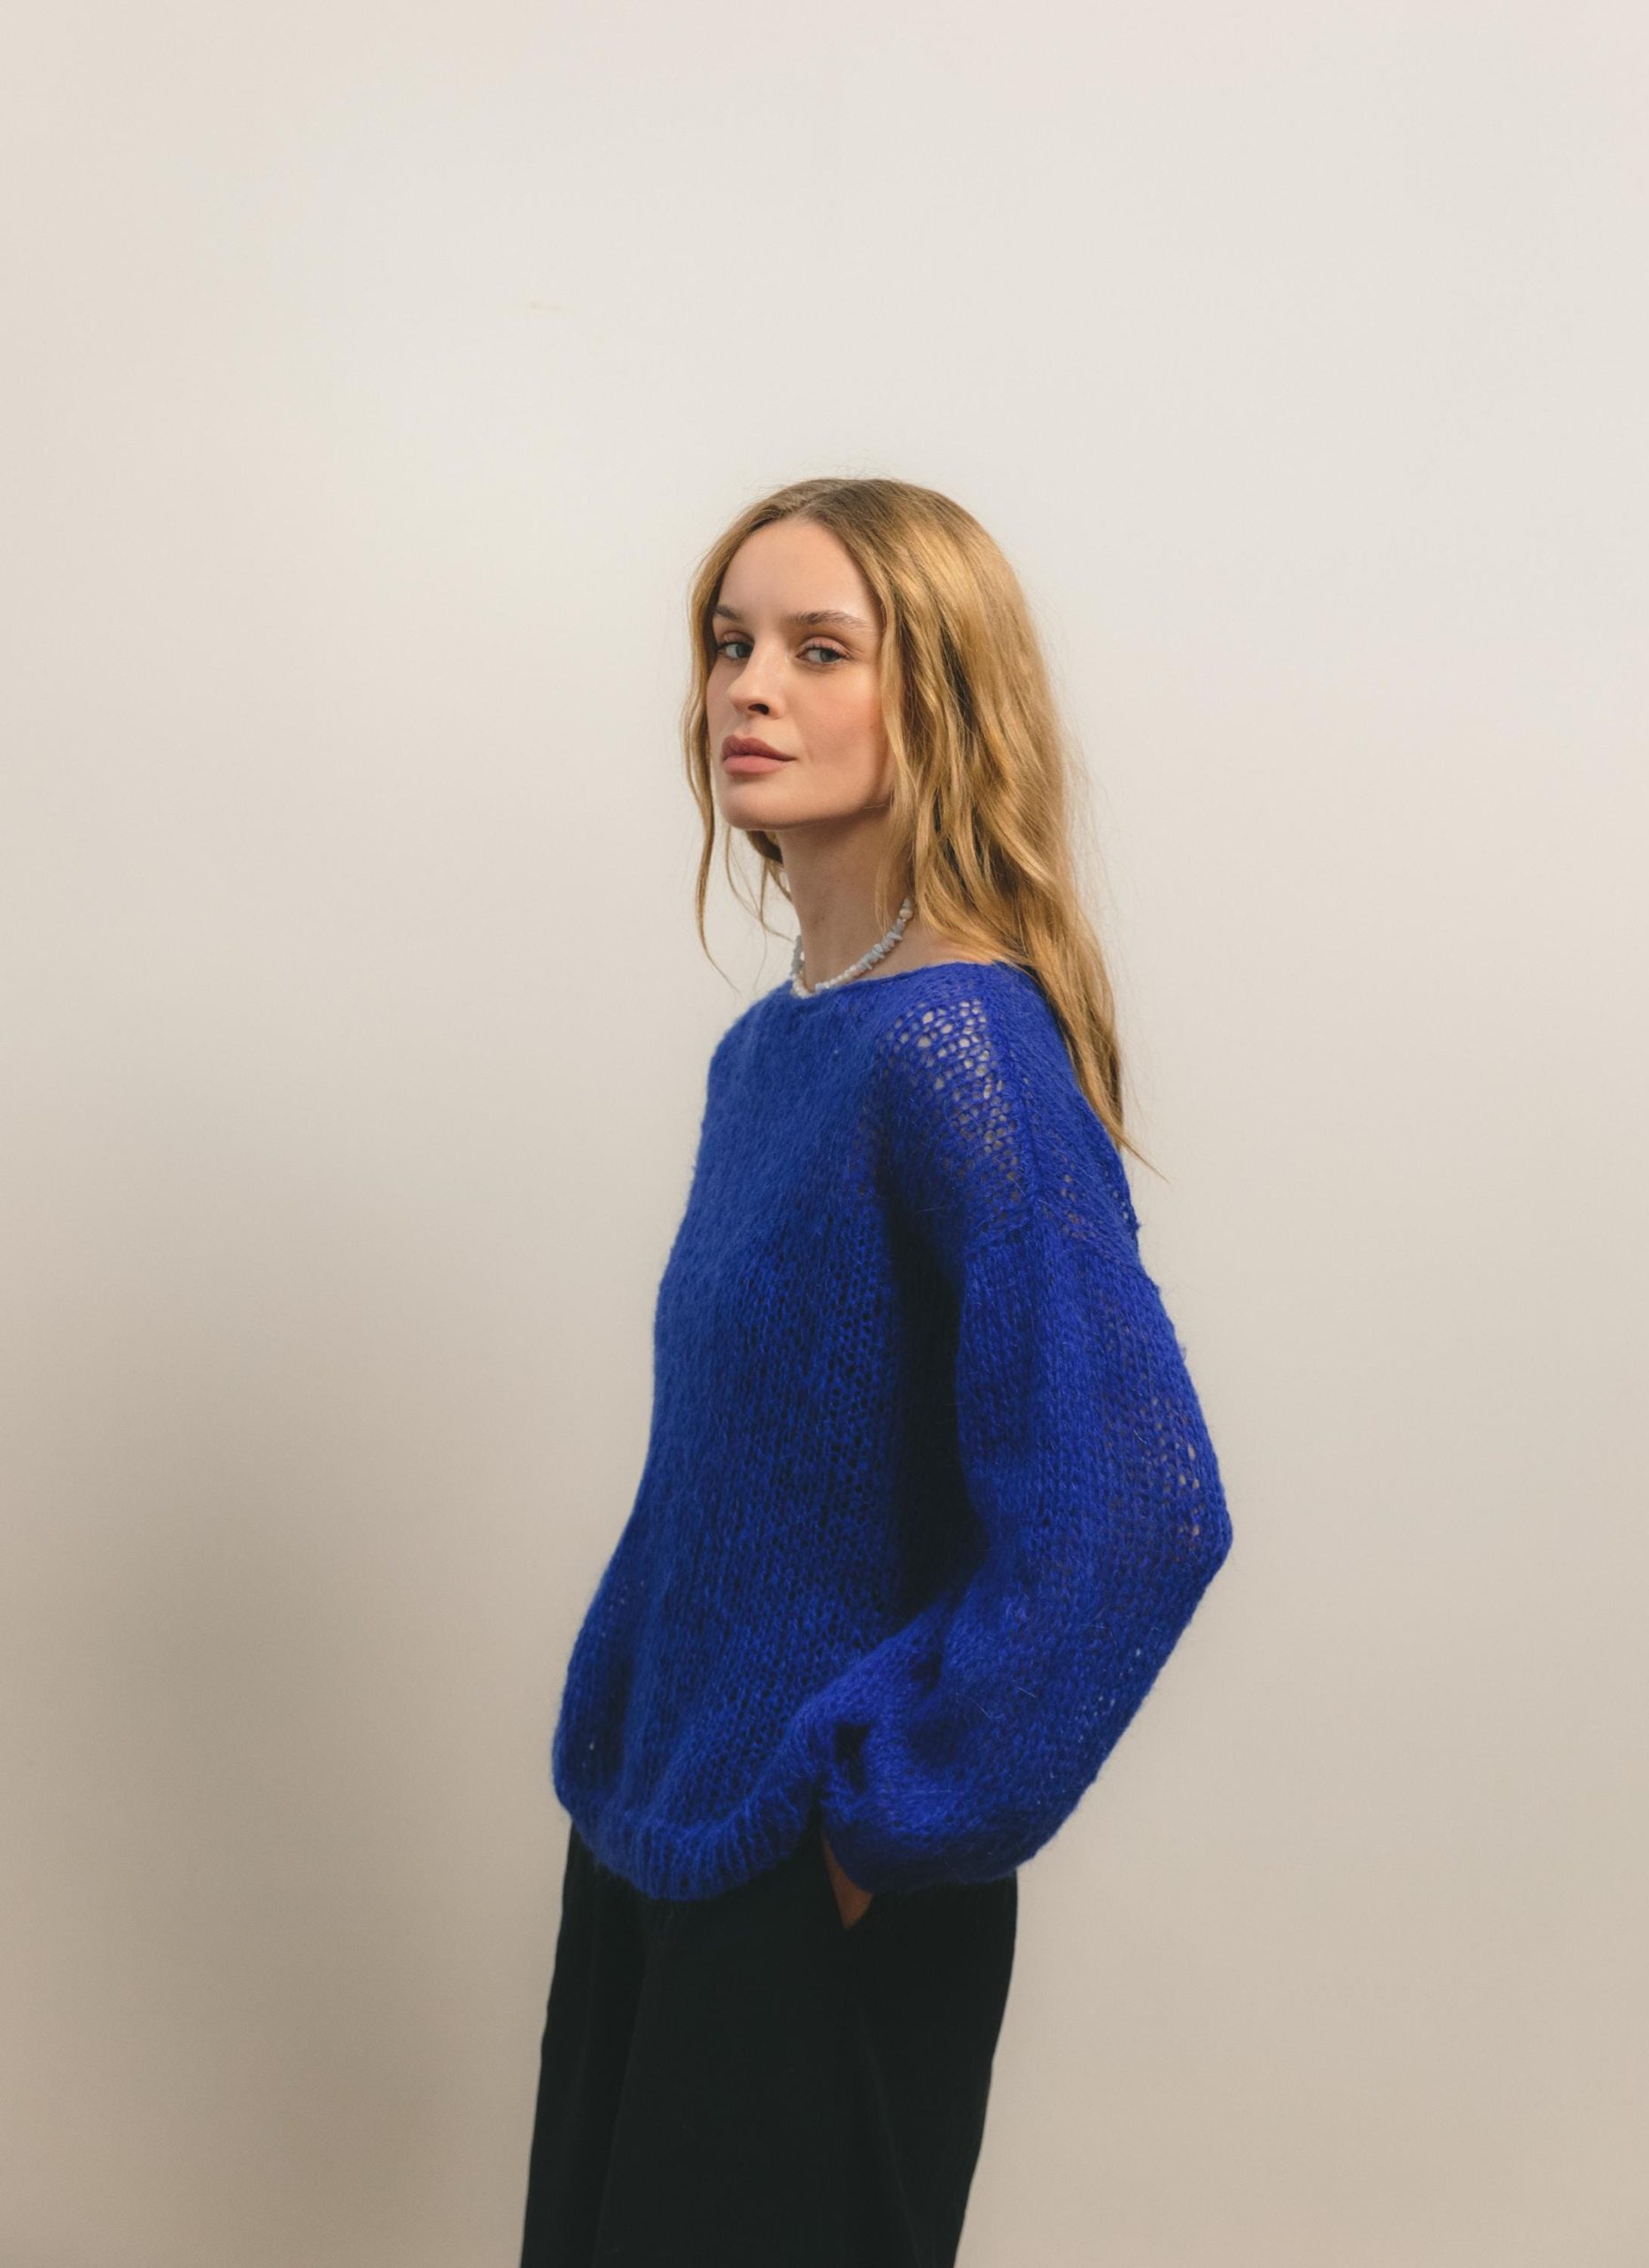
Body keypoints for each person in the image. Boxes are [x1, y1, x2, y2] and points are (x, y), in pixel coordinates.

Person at [517, 476, 1234, 2266]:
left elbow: (1138, 1508)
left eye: (820, 649)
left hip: (809, 1875)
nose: (749, 687)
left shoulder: (960, 1047)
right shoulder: (771, 1056)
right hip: (660, 1838)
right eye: (730, 642)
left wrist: (877, 1823)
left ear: (944, 697)